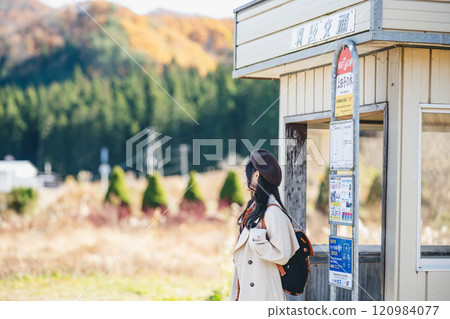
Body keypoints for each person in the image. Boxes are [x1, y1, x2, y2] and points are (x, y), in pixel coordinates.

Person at [230, 149, 300, 301]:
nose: (243, 177)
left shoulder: (273, 213)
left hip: (264, 295)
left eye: (245, 173)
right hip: (247, 291)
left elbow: (283, 254)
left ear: (256, 175)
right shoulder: (253, 209)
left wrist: (259, 242)